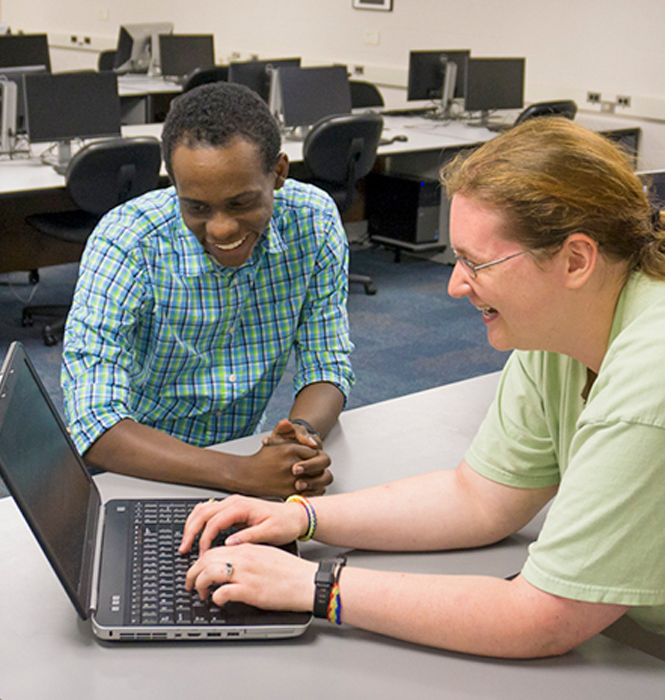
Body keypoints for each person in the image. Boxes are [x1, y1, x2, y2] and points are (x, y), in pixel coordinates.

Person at [179, 118, 665, 658]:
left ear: (575, 260)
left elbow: (543, 618)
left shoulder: (650, 377)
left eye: (477, 264)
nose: (456, 285)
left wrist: (312, 586)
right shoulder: (560, 331)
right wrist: (302, 517)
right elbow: (480, 499)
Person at [61, 83, 354, 498]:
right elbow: (94, 421)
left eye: (241, 203)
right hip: (133, 469)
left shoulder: (314, 221)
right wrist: (242, 474)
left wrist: (299, 441)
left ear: (279, 173)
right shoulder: (128, 241)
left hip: (239, 457)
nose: (220, 228)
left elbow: (326, 363)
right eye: (196, 207)